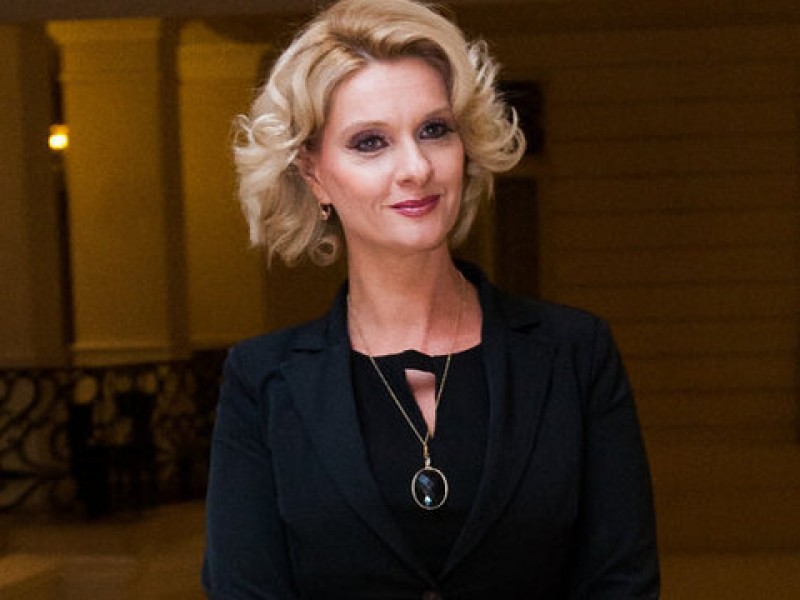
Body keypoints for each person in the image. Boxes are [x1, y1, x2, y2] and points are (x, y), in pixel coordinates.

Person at [202, 0, 660, 597]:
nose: (416, 167)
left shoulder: (575, 354)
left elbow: (621, 583)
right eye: (371, 142)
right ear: (313, 173)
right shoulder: (262, 381)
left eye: (434, 130)